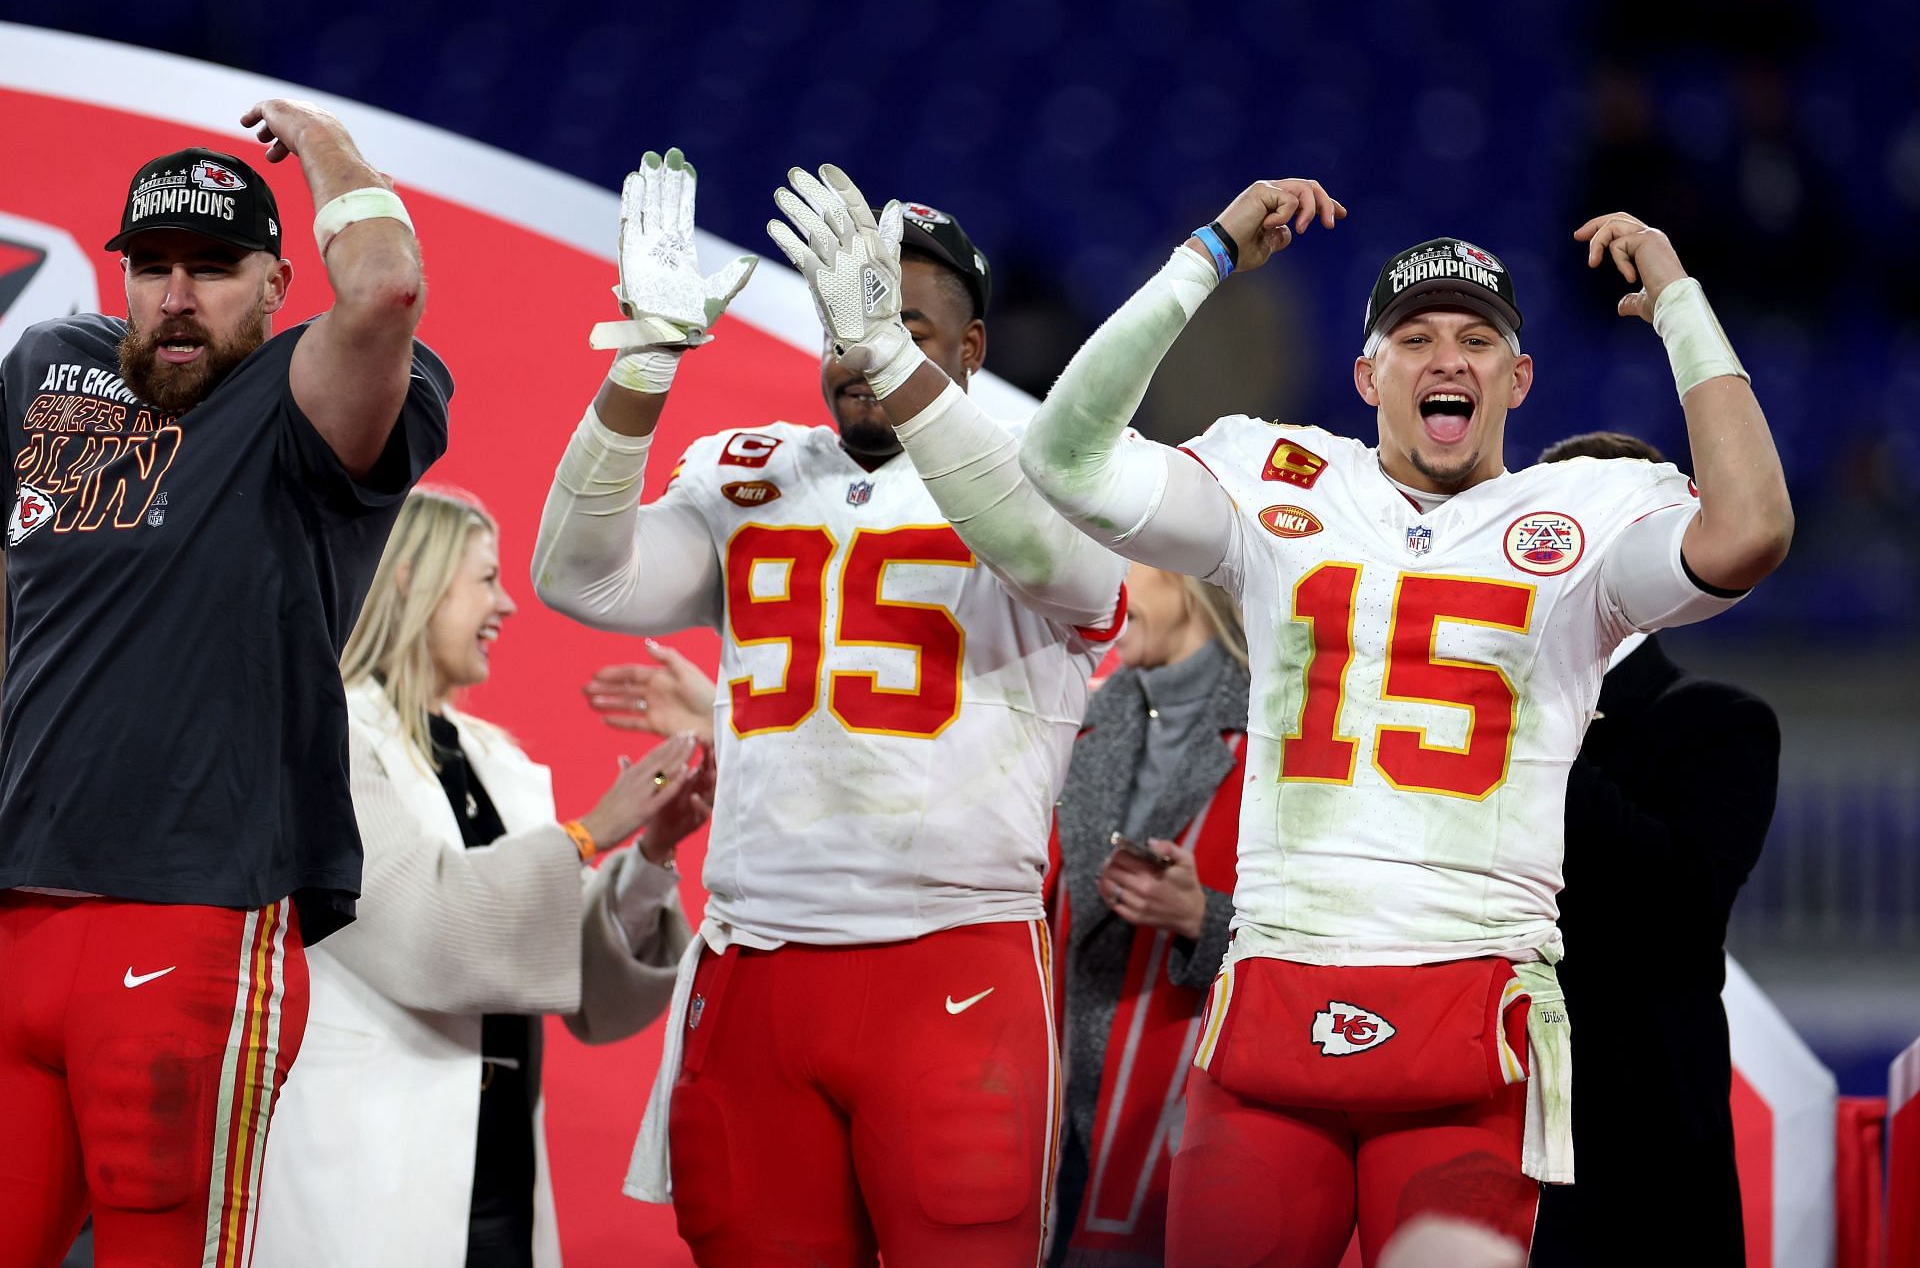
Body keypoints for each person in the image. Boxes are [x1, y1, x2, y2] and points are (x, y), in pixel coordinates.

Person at [1017, 179, 1792, 1264]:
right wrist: (1204, 255)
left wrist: (1680, 303)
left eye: (1478, 339)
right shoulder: (1276, 477)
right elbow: (1061, 456)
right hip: (1277, 999)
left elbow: (1753, 527)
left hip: (1471, 1020)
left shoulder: (1583, 511)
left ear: (1517, 379)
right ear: (1366, 373)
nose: (1446, 358)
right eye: (1414, 335)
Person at [532, 151, 1125, 1266]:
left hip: (949, 964)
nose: (860, 343)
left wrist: (893, 363)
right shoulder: (748, 471)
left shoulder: (1036, 475)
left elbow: (1073, 573)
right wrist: (645, 367)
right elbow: (581, 575)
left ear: (970, 348)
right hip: (759, 963)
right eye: (848, 316)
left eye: (901, 318)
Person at [0, 100, 449, 1267]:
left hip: (194, 908)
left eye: (215, 268)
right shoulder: (51, 367)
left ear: (278, 279)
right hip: (18, 906)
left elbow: (388, 289)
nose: (179, 296)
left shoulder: (315, 396)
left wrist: (328, 147)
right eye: (153, 267)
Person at [251, 488, 708, 1267]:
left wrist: (650, 857)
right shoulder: (322, 736)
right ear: (409, 579)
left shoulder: (503, 764)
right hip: (368, 1161)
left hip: (500, 1174)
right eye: (487, 578)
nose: (507, 605)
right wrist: (589, 833)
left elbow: (575, 982)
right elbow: (422, 927)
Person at [1526, 432, 1779, 1268]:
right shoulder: (1465, 717)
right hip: (1476, 1139)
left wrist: (1538, 724)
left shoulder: (1718, 721)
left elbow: (1676, 904)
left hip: (1641, 1171)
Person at [1048, 565, 1250, 1267]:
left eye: (1111, 560)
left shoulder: (1284, 729)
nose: (1093, 584)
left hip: (1189, 1126)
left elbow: (1332, 929)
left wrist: (1205, 919)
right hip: (1055, 1114)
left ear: (1180, 571)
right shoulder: (1077, 712)